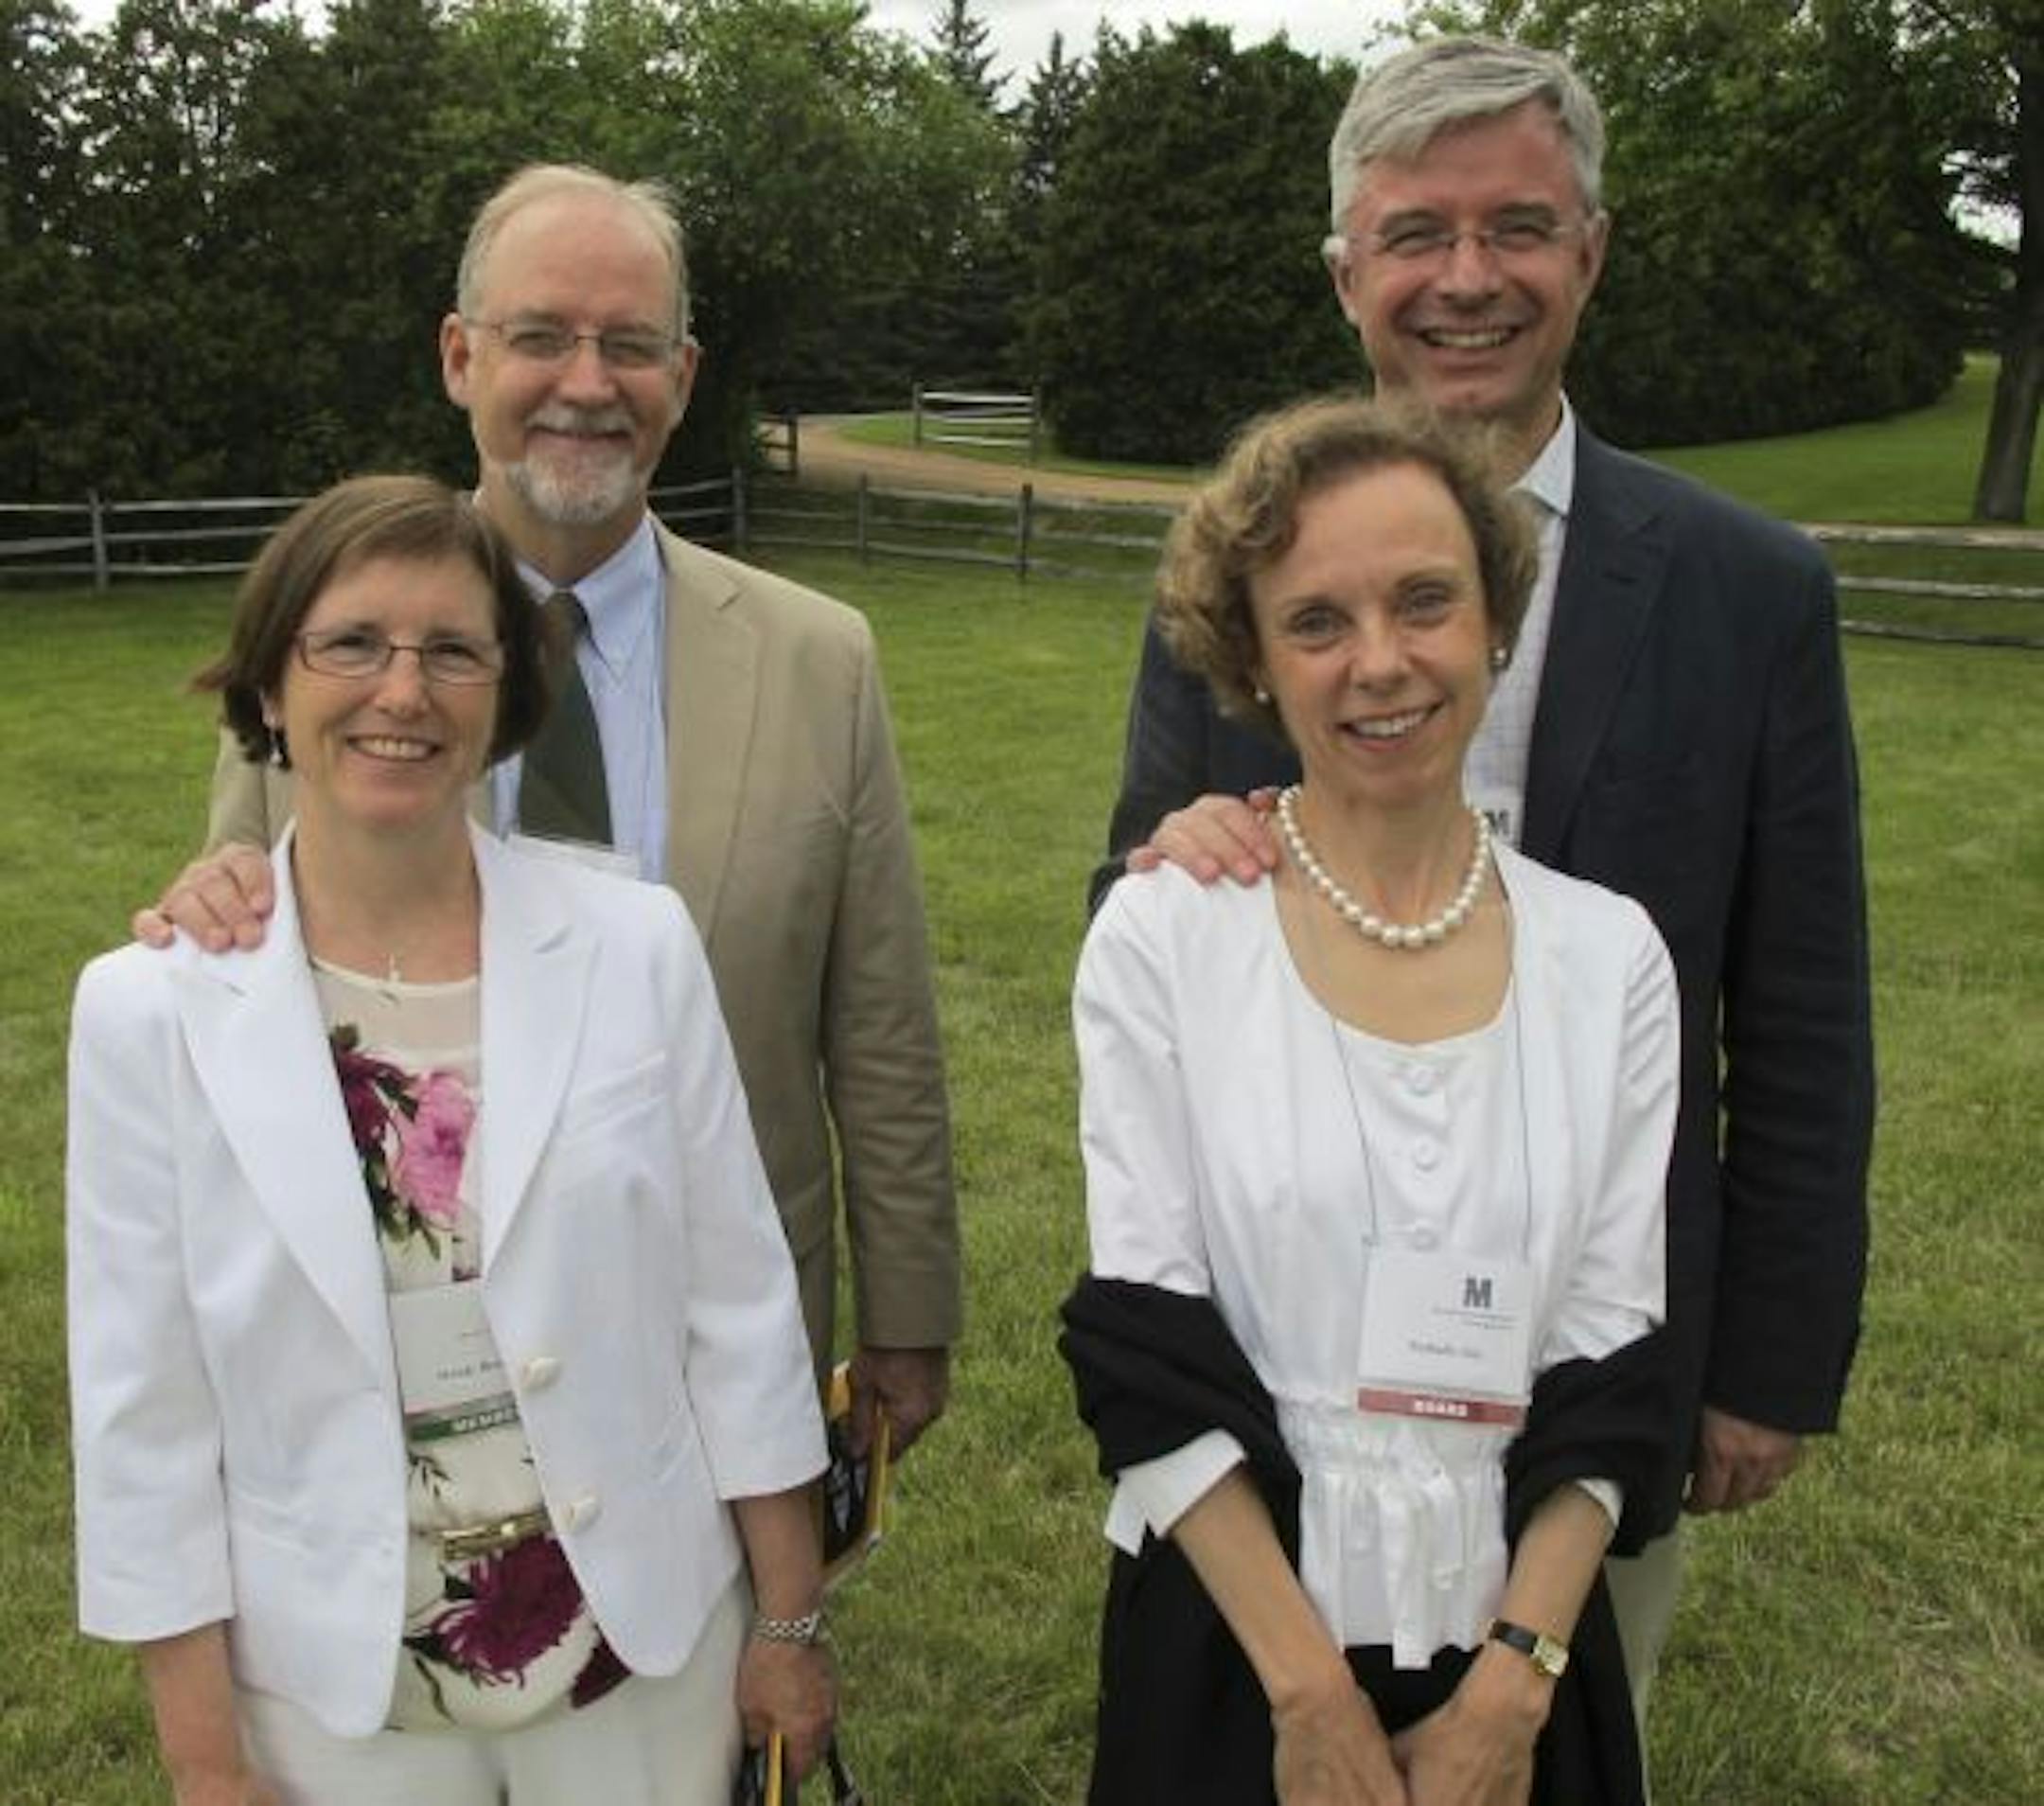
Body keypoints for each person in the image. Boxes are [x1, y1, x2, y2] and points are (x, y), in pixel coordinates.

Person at [1093, 35, 1874, 1735]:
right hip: (1284, 1355)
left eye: (1517, 226)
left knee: (1550, 1732)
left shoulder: (1748, 589)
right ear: (1345, 271)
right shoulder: (1234, 567)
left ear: (1590, 250)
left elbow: (1804, 1004)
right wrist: (1179, 851)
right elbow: (1147, 882)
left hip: (1602, 1346)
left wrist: (1763, 1366)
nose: (1466, 279)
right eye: (1415, 234)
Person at [135, 164, 960, 1458]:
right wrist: (216, 900)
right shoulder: (330, 645)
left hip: (713, 1332)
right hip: (394, 1322)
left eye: (630, 345)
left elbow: (882, 1027)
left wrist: (909, 1311)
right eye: (540, 337)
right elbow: (242, 929)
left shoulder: (821, 661)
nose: (587, 383)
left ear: (683, 377)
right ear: (462, 357)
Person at [69, 475, 834, 1804]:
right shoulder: (150, 1014)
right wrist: (203, 1762)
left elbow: (740, 1307)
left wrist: (786, 1623)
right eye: (351, 643)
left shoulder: (633, 947)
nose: (402, 692)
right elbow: (145, 1410)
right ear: (266, 689)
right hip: (335, 1694)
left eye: (453, 651)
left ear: (504, 698)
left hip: (638, 1653)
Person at [1063, 397, 1679, 1805]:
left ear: (1497, 624)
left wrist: (1513, 1690)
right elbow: (1145, 1341)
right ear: (1254, 663)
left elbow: (1608, 1346)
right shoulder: (1167, 939)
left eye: (1424, 603)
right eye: (1319, 622)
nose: (1381, 663)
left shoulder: (1610, 956)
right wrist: (1311, 1699)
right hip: (1238, 1654)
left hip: (1523, 1659)